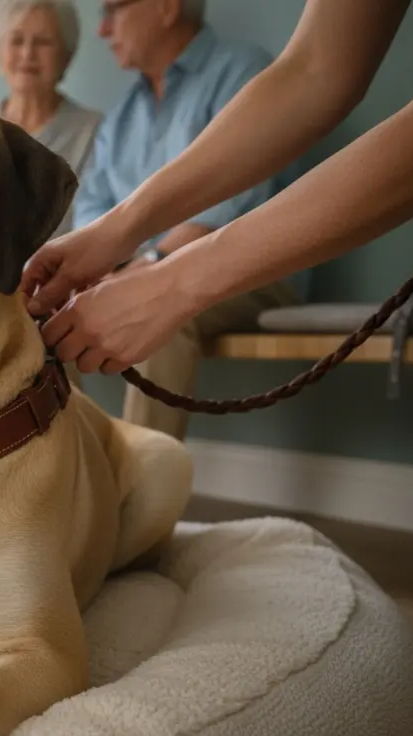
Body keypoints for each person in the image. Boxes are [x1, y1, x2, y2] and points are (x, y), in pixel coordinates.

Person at [22, 0, 413, 390]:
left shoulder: (234, 67)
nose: (103, 27)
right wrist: (116, 230)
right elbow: (315, 71)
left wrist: (169, 279)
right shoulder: (125, 112)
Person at [61, 0, 305, 440]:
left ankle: (136, 498)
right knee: (55, 316)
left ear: (166, 7)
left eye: (113, 10)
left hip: (254, 272)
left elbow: (231, 198)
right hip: (141, 269)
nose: (102, 30)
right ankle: (69, 482)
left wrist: (150, 267)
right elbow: (93, 208)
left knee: (162, 308)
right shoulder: (120, 117)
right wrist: (122, 272)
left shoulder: (244, 73)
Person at [0, 0, 103, 240]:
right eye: (17, 40)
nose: (28, 53)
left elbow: (94, 227)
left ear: (66, 56)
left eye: (43, 42)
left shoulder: (95, 131)